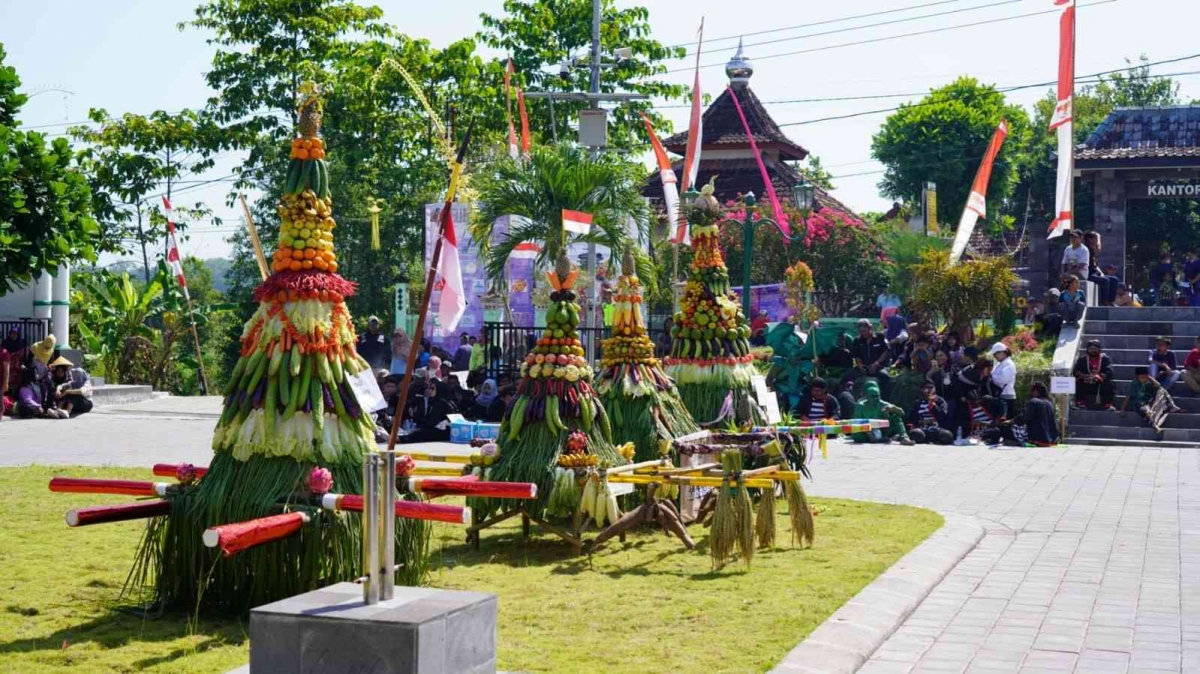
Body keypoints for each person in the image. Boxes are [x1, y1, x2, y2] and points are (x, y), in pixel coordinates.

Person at [1120, 366, 1180, 441]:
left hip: (1150, 402)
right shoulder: (1134, 384)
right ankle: (1155, 426)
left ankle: (1172, 405)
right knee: (1145, 410)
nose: (1143, 379)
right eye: (1141, 377)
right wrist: (1123, 409)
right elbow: (1128, 397)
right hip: (1139, 404)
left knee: (1162, 390)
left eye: (1145, 377)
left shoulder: (1149, 382)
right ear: (1137, 377)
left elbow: (1158, 385)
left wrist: (1150, 378)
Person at [850, 380, 912, 445]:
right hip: (865, 430)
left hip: (880, 430)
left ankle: (904, 438)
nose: (876, 398)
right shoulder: (860, 406)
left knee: (895, 416)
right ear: (867, 397)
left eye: (877, 396)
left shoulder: (882, 404)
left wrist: (894, 409)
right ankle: (878, 439)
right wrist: (868, 432)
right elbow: (856, 422)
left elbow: (902, 413)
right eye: (873, 396)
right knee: (857, 436)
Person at [399, 379, 458, 444]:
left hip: (443, 432)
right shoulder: (448, 401)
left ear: (440, 389)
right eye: (429, 388)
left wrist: (421, 426)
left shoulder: (440, 403)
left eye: (432, 389)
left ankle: (400, 439)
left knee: (419, 433)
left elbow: (432, 422)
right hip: (449, 432)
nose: (429, 391)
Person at [851, 318, 892, 399]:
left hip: (879, 367)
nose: (863, 333)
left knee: (886, 378)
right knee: (847, 376)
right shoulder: (857, 340)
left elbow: (886, 352)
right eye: (861, 331)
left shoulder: (880, 337)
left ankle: (885, 400)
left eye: (865, 331)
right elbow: (856, 355)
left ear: (870, 328)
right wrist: (859, 365)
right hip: (864, 367)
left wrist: (876, 364)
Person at [906, 380, 953, 445]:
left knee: (947, 436)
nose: (929, 390)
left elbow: (943, 416)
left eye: (931, 387)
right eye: (926, 388)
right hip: (923, 428)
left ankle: (934, 439)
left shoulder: (940, 401)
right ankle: (925, 439)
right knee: (915, 433)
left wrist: (933, 405)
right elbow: (912, 418)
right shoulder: (918, 403)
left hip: (938, 428)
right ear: (922, 389)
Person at [1073, 339, 1115, 410]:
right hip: (1086, 383)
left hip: (1100, 384)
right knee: (1077, 382)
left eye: (1095, 349)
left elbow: (1109, 371)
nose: (1093, 350)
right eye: (1091, 349)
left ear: (1099, 349)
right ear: (1087, 349)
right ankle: (1080, 403)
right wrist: (1084, 376)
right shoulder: (1082, 359)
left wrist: (1099, 376)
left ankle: (1108, 404)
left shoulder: (1105, 359)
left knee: (1110, 384)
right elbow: (1076, 371)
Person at [1083, 231, 1119, 305]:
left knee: (1114, 280)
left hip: (1094, 273)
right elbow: (1098, 248)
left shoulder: (1092, 249)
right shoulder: (1086, 249)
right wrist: (1098, 237)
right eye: (1095, 238)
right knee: (1105, 280)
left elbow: (1095, 265)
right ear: (1090, 239)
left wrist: (1101, 273)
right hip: (1088, 274)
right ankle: (1104, 301)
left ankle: (1111, 301)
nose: (1097, 241)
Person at [1023, 382, 1060, 447]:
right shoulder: (1049, 403)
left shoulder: (1033, 401)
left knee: (1006, 428)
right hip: (1052, 440)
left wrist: (1012, 421)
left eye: (1032, 391)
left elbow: (1025, 418)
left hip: (1038, 439)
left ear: (1036, 391)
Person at [989, 343, 1017, 420]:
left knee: (1005, 421)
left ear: (1002, 352)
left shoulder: (1009, 364)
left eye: (996, 354)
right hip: (1000, 395)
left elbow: (1002, 379)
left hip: (1006, 397)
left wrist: (991, 376)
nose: (995, 356)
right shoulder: (999, 364)